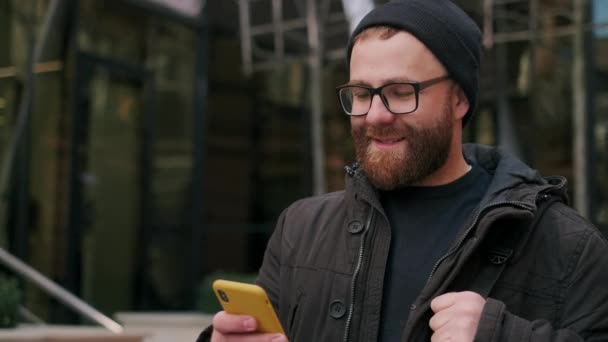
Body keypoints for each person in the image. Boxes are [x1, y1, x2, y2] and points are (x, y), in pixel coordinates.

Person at [198, 0, 608, 341]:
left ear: (459, 100)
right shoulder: (302, 228)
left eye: (400, 92)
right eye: (361, 93)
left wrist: (500, 335)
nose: (375, 115)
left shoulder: (566, 245)